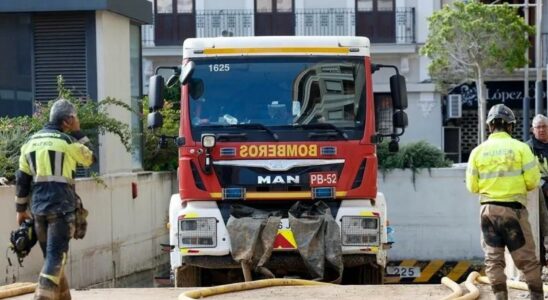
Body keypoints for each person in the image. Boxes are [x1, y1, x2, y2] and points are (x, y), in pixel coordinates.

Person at [15, 99, 94, 300]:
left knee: (52, 259)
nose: (77, 122)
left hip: (39, 210)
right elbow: (91, 158)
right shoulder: (67, 142)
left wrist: (20, 210)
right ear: (67, 120)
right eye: (75, 119)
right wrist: (77, 131)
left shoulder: (29, 143)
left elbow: (22, 180)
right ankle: (41, 296)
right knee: (56, 258)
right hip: (61, 209)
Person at [466, 104, 543, 300]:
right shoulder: (521, 148)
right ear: (511, 126)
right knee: (526, 260)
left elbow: (472, 187)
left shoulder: (477, 151)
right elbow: (533, 181)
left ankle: (500, 298)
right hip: (513, 211)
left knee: (493, 259)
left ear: (490, 126)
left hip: (487, 211)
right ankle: (536, 296)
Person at [526, 114, 548, 266]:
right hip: (538, 194)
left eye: (544, 126)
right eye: (538, 127)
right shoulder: (528, 148)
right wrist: (543, 185)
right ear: (532, 130)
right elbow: (528, 172)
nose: (541, 130)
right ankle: (540, 264)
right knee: (540, 231)